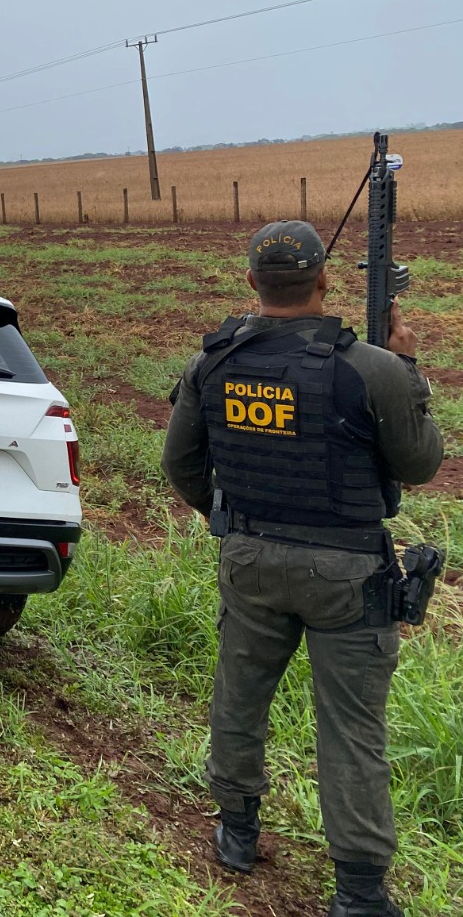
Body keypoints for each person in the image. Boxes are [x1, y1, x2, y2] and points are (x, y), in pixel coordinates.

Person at [162, 221, 443, 917]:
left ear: (252, 283)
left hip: (250, 556)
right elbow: (421, 465)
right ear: (325, 280)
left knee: (240, 694)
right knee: (351, 726)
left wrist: (229, 521)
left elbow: (180, 464)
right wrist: (406, 367)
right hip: (348, 571)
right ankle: (358, 892)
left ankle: (235, 833)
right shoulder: (371, 368)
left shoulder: (213, 362)